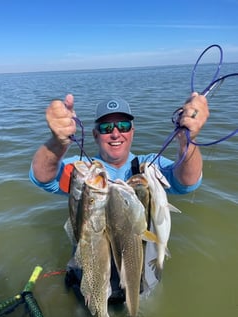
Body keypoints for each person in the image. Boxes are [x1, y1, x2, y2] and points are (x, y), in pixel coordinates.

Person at [29, 93, 209, 302]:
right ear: (95, 135)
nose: (115, 134)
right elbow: (43, 177)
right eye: (106, 128)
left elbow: (187, 181)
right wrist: (57, 143)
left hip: (141, 283)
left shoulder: (149, 167)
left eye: (123, 126)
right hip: (91, 279)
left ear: (132, 132)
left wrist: (188, 140)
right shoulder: (83, 171)